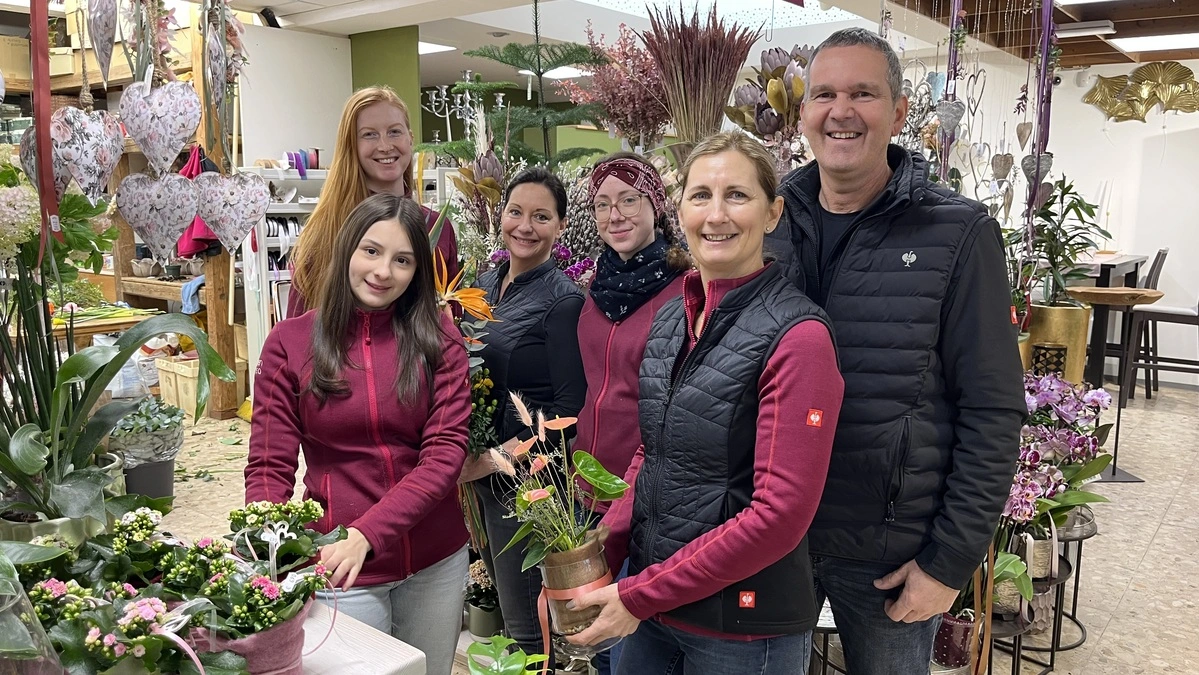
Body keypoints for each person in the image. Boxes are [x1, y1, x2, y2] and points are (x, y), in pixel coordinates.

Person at [766, 27, 1025, 673]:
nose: (841, 110)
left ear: (900, 111)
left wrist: (948, 561)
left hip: (886, 555)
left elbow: (992, 407)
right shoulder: (767, 222)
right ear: (802, 113)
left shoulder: (956, 232)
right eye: (823, 93)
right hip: (772, 540)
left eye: (863, 92)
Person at [566, 131, 845, 674]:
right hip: (653, 605)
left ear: (773, 213)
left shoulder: (799, 337)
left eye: (737, 195)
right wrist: (602, 550)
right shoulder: (673, 318)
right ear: (680, 209)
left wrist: (639, 595)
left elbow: (779, 515)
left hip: (740, 630)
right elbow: (653, 452)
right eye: (700, 196)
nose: (716, 215)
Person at [245, 194, 471, 675]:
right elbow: (269, 465)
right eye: (371, 251)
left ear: (417, 272)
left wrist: (368, 533)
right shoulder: (290, 344)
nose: (383, 271)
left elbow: (444, 455)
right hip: (340, 566)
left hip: (435, 560)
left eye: (402, 260)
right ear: (347, 248)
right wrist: (268, 549)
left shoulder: (440, 338)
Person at [459, 167, 587, 658]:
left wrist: (489, 460)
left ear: (559, 227)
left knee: (528, 627)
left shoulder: (564, 300)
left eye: (541, 216)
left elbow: (567, 410)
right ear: (501, 215)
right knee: (507, 613)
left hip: (528, 484)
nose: (525, 226)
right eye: (516, 212)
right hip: (480, 477)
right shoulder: (483, 284)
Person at [575, 152, 690, 675]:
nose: (615, 215)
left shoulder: (680, 290)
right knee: (587, 637)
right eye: (603, 203)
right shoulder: (593, 290)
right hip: (584, 489)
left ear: (656, 205)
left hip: (640, 492)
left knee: (627, 648)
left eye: (629, 200)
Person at [288, 86, 458, 317]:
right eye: (369, 134)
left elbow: (453, 318)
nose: (385, 145)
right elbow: (295, 333)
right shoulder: (325, 231)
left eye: (395, 132)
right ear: (352, 146)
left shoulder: (438, 228)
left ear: (411, 138)